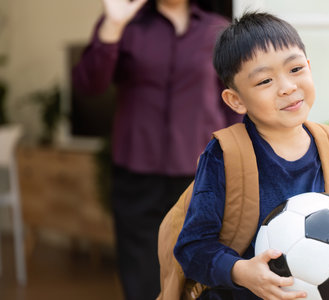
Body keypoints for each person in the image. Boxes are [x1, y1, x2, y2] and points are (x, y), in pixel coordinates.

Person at [174, 12, 329, 299]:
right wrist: (241, 271)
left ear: (309, 67)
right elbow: (192, 250)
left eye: (295, 69)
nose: (288, 87)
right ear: (236, 100)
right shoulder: (225, 155)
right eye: (265, 81)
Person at [72, 0, 241, 299]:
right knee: (139, 269)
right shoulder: (125, 24)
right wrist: (113, 26)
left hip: (200, 174)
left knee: (199, 267)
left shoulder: (217, 29)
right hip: (137, 169)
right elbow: (89, 84)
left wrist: (238, 156)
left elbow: (233, 104)